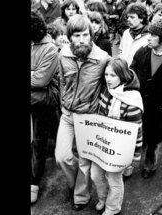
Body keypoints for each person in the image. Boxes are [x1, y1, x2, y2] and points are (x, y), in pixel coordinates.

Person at [54, 14, 110, 211]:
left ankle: (81, 195)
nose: (81, 40)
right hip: (67, 114)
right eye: (76, 35)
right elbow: (61, 79)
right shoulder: (63, 54)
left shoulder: (102, 59)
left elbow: (112, 86)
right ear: (69, 36)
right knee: (62, 156)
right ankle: (76, 182)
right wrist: (63, 101)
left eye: (85, 34)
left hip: (89, 117)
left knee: (85, 162)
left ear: (91, 35)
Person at [92, 57, 143, 215]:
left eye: (112, 75)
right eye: (106, 75)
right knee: (95, 175)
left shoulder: (132, 100)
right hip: (103, 144)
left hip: (119, 150)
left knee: (114, 180)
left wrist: (134, 158)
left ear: (122, 76)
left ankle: (113, 208)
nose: (108, 79)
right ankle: (104, 198)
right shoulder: (106, 90)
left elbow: (137, 132)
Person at [129, 19, 162, 179]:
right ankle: (129, 165)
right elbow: (131, 71)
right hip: (140, 104)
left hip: (161, 108)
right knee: (136, 135)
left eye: (153, 35)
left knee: (155, 139)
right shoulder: (142, 52)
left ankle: (149, 166)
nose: (148, 37)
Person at [30, 11, 61, 203]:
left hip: (42, 103)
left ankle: (34, 181)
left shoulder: (50, 48)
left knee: (38, 142)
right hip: (34, 99)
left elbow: (41, 80)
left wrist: (35, 73)